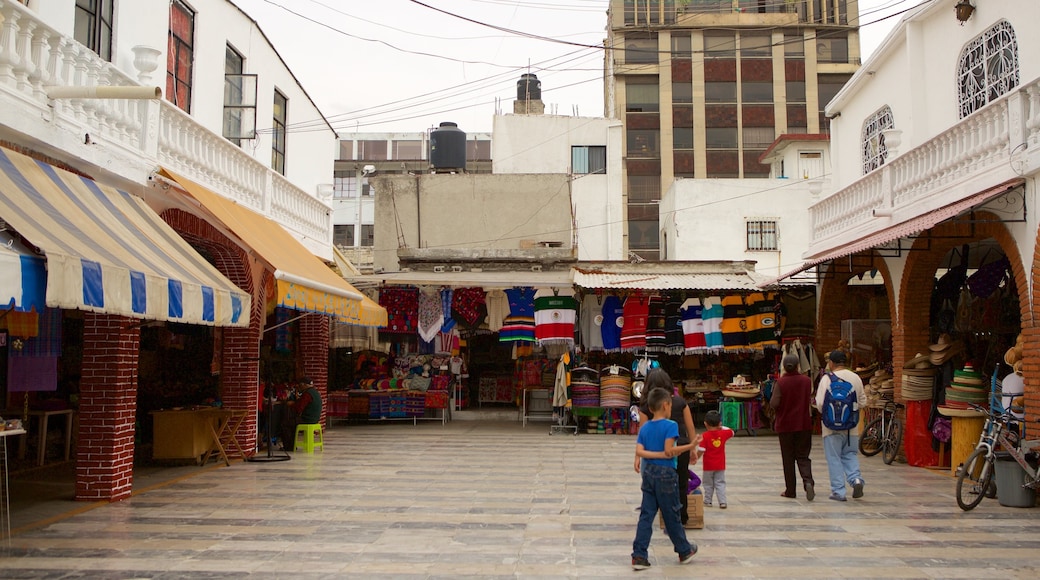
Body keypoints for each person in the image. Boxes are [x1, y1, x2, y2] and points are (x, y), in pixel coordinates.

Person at [631, 387, 699, 570]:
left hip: (649, 474)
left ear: (651, 409)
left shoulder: (645, 428)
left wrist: (653, 455)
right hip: (666, 475)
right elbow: (670, 451)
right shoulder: (671, 426)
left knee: (646, 514)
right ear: (666, 405)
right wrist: (690, 446)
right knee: (672, 515)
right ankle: (684, 550)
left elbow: (639, 451)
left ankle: (639, 555)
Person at [636, 369, 700, 528]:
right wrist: (693, 449)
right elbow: (690, 427)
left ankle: (662, 514)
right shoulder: (680, 402)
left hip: (658, 452)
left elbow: (642, 433)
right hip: (682, 446)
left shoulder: (646, 407)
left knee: (659, 484)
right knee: (682, 483)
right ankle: (682, 517)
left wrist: (637, 457)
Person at [814, 350, 866, 501]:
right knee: (850, 455)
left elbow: (820, 403)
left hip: (831, 428)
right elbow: (863, 402)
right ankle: (856, 479)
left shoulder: (827, 379)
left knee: (834, 457)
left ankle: (838, 491)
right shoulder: (855, 377)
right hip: (852, 427)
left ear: (831, 363)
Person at [770, 354, 816, 500]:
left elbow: (774, 403)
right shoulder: (806, 381)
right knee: (803, 456)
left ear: (784, 366)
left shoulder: (781, 383)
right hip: (804, 424)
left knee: (788, 459)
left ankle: (791, 490)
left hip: (785, 426)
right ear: (798, 366)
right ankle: (808, 482)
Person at [699, 410, 734, 508]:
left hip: (708, 466)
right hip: (720, 465)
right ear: (719, 423)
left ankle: (708, 501)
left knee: (708, 484)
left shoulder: (705, 436)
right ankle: (722, 502)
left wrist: (695, 457)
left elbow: (701, 449)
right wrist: (721, 427)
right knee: (720, 483)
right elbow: (731, 431)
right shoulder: (723, 434)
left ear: (705, 423)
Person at [281, 377, 322, 451]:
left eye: (299, 385)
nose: (299, 387)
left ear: (303, 384)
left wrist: (291, 404)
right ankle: (291, 445)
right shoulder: (315, 392)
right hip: (314, 419)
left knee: (286, 424)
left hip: (307, 419)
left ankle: (289, 447)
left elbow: (299, 408)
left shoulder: (307, 394)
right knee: (291, 422)